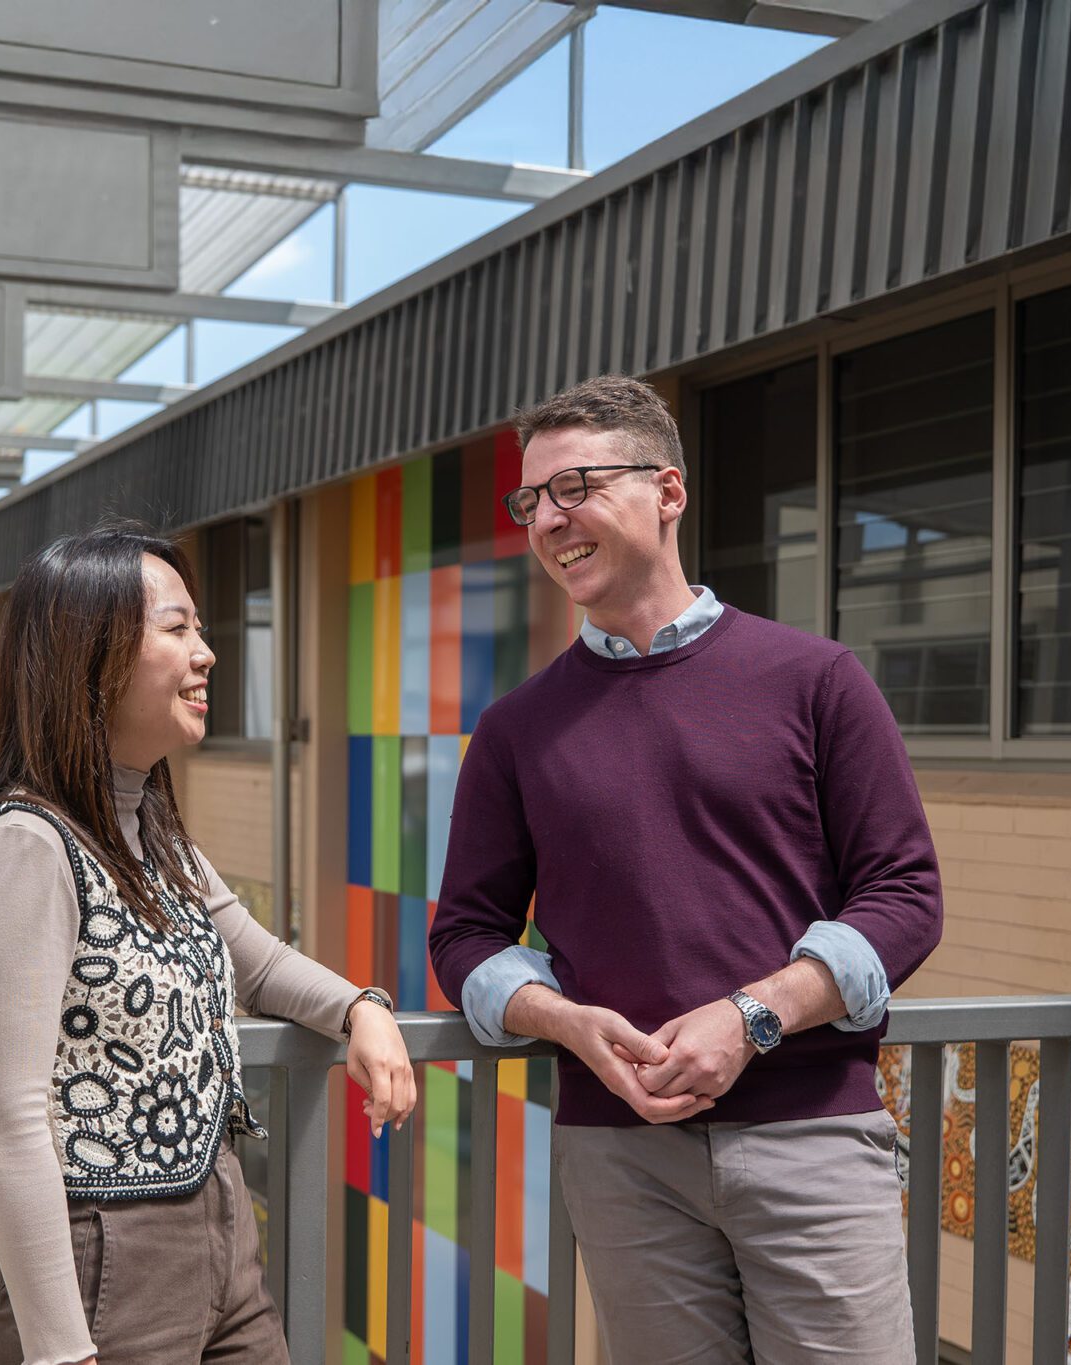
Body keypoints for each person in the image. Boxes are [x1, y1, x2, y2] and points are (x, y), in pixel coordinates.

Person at [428, 375, 943, 1364]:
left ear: (667, 492)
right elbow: (465, 934)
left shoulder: (815, 680)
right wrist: (563, 1023)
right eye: (531, 499)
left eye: (575, 485)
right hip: (619, 1159)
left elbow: (903, 896)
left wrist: (751, 1017)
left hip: (812, 1140)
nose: (548, 518)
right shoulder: (514, 730)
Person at [0, 523, 415, 1365]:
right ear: (89, 651)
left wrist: (361, 1008)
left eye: (201, 628)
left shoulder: (153, 835)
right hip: (102, 1263)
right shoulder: (28, 843)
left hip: (222, 1233)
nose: (207, 653)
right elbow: (9, 1115)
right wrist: (59, 1348)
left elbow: (260, 963)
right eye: (177, 627)